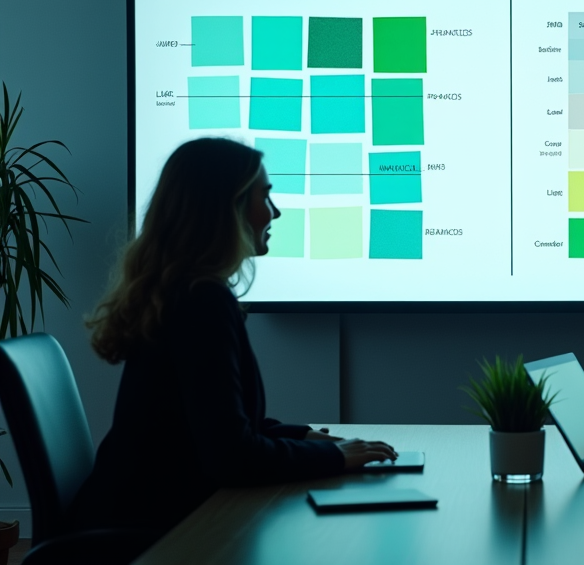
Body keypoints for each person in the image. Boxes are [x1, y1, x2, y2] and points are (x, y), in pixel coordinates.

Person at [69, 138, 396, 535]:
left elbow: (224, 422)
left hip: (138, 512)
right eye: (265, 197)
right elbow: (232, 456)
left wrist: (307, 437)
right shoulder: (201, 301)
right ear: (227, 210)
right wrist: (331, 458)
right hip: (153, 533)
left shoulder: (183, 292)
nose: (274, 212)